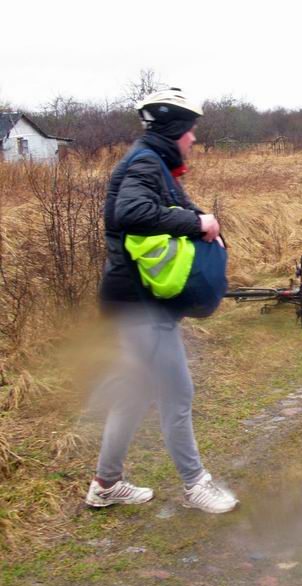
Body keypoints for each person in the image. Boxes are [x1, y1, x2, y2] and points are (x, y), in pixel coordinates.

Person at [84, 88, 238, 514]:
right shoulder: (146, 163)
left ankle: (105, 485)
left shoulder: (153, 163)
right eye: (190, 131)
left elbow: (170, 211)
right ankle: (196, 485)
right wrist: (196, 221)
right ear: (174, 131)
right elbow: (129, 213)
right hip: (140, 304)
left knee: (134, 394)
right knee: (177, 392)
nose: (193, 140)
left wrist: (205, 223)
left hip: (131, 300)